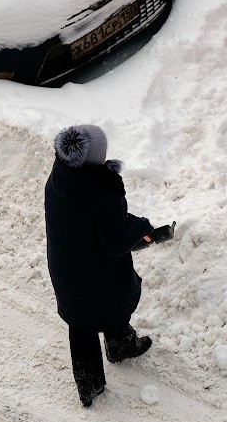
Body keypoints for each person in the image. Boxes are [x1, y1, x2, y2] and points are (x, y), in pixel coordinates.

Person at [44, 124, 174, 407]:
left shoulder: (59, 179)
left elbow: (86, 223)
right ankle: (120, 346)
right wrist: (139, 226)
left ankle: (89, 384)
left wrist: (119, 221)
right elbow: (114, 243)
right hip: (98, 273)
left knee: (80, 325)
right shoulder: (101, 195)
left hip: (66, 269)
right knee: (111, 307)